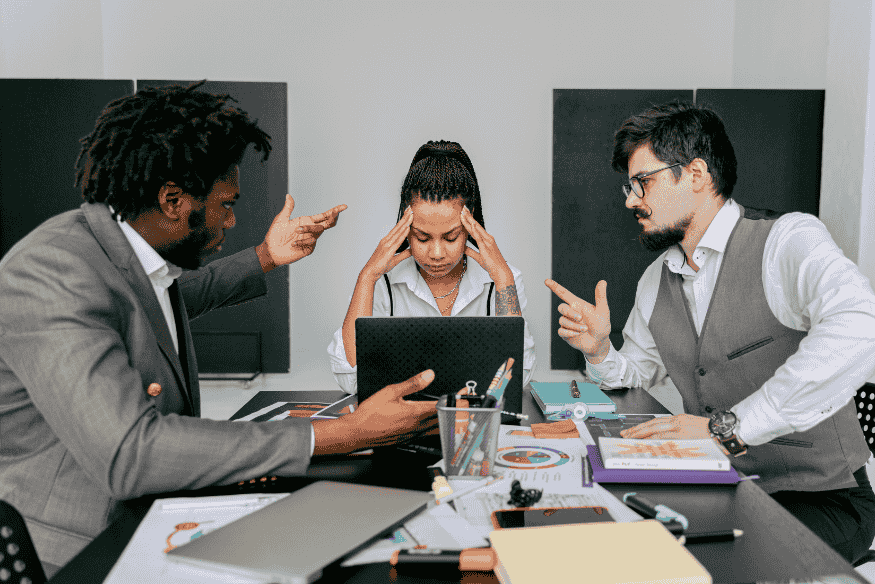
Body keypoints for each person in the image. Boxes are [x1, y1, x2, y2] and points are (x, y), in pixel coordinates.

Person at [0, 81, 438, 575]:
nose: (231, 221)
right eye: (226, 205)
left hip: (152, 519)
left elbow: (173, 300)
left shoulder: (125, 256)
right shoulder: (52, 271)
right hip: (79, 552)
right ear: (173, 200)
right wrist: (344, 433)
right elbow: (131, 453)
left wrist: (267, 256)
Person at [546, 101, 875, 564]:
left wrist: (730, 428)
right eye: (629, 186)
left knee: (706, 564)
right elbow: (636, 373)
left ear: (696, 174)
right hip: (720, 482)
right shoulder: (656, 278)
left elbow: (859, 324)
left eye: (643, 182)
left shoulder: (786, 240)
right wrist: (600, 350)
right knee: (619, 547)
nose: (630, 200)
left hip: (823, 496)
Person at [328, 140, 536, 394]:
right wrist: (367, 277)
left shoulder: (503, 280)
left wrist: (503, 279)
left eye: (451, 237)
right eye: (422, 238)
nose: (436, 254)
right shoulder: (381, 281)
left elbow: (515, 378)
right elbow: (351, 378)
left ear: (470, 223)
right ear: (405, 226)